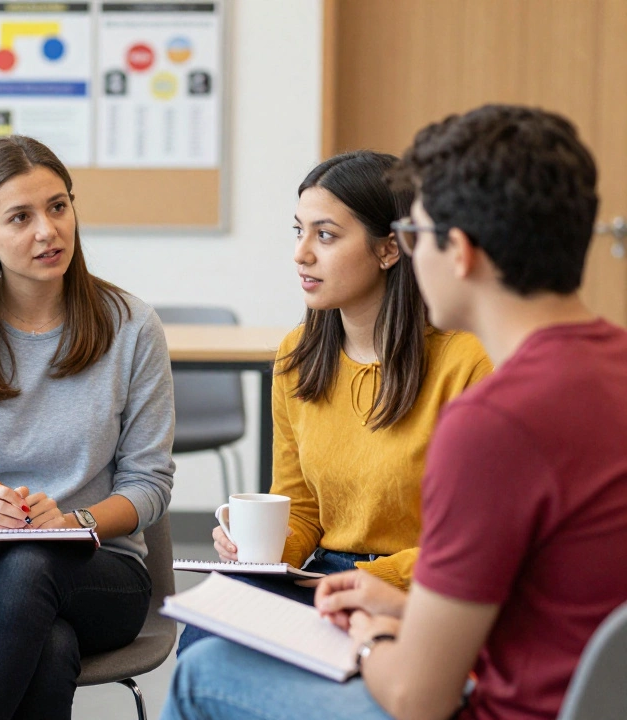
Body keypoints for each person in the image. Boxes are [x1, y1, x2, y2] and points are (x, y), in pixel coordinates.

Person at [163, 105, 627, 720]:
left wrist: (375, 632)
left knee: (203, 674)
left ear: (455, 251)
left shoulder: (494, 418)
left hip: (491, 700)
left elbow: (416, 698)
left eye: (415, 233)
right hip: (560, 679)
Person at [0, 135, 175, 720]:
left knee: (31, 563)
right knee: (48, 644)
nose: (48, 232)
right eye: (20, 217)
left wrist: (74, 522)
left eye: (58, 206)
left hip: (102, 571)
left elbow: (149, 485)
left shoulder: (132, 328)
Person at [177, 150, 492, 654]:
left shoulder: (464, 362)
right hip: (317, 575)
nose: (301, 254)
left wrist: (375, 579)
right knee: (204, 639)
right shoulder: (296, 357)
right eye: (298, 231)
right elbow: (300, 509)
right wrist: (260, 549)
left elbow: (475, 539)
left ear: (389, 249)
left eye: (325, 235)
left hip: (420, 589)